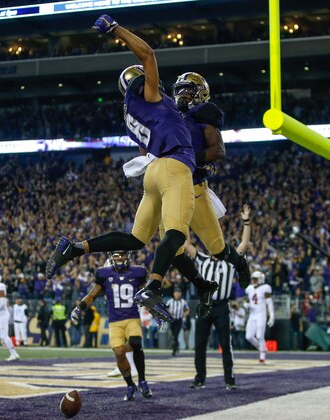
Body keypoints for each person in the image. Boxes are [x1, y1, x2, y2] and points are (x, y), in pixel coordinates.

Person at [46, 14, 216, 325]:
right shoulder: (149, 95)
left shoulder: (131, 114)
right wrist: (116, 30)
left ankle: (75, 247)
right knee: (176, 235)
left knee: (136, 239)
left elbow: (146, 148)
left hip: (153, 173)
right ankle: (153, 286)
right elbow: (148, 53)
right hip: (174, 166)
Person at [168, 71, 251, 296]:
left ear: (200, 92)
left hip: (194, 188)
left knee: (216, 247)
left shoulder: (204, 113)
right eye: (179, 90)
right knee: (170, 250)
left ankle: (241, 264)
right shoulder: (173, 115)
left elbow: (218, 151)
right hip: (170, 190)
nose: (182, 94)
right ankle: (200, 287)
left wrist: (189, 157)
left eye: (188, 89)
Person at [70, 250, 152, 401]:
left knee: (135, 342)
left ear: (129, 256)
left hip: (132, 318)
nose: (120, 258)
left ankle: (143, 381)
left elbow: (148, 292)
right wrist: (79, 308)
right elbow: (92, 295)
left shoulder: (138, 272)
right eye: (116, 256)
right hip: (115, 322)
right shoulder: (104, 274)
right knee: (119, 353)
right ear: (110, 259)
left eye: (123, 255)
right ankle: (130, 385)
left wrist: (154, 306)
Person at [189, 205, 251, 390]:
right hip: (205, 304)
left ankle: (229, 379)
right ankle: (200, 378)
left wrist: (246, 222)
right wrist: (181, 218)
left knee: (225, 343)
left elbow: (243, 245)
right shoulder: (201, 259)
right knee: (200, 344)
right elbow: (185, 244)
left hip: (222, 307)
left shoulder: (229, 262)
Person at [245, 271, 275, 364]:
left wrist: (272, 316)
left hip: (261, 314)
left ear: (261, 279)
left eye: (255, 279)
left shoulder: (265, 288)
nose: (253, 280)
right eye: (253, 279)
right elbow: (247, 300)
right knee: (248, 337)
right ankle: (262, 348)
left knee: (259, 336)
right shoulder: (249, 288)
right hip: (252, 314)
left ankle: (262, 356)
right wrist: (246, 304)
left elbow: (269, 303)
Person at [167, 287, 190, 356]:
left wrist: (184, 314)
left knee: (176, 334)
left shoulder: (183, 302)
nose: (177, 294)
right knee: (173, 334)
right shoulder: (170, 301)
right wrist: (169, 312)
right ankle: (176, 346)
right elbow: (165, 309)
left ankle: (174, 349)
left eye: (178, 293)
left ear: (180, 294)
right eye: (176, 292)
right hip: (172, 320)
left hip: (179, 320)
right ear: (173, 293)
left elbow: (188, 310)